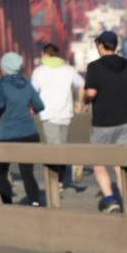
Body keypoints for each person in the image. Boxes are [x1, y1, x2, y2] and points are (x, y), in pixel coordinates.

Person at [83, 30, 127, 213]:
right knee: (121, 163)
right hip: (124, 120)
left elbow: (91, 93)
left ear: (101, 45)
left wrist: (85, 99)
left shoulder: (94, 67)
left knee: (99, 162)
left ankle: (109, 199)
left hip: (102, 122)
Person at [0, 52, 45, 206]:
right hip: (29, 133)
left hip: (7, 135)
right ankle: (34, 202)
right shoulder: (27, 84)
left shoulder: (0, 85)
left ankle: (7, 204)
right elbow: (39, 106)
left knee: (1, 172)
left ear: (4, 67)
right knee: (27, 172)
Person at [31, 43, 85, 186]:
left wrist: (31, 107)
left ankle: (58, 180)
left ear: (44, 54)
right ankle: (63, 174)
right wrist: (79, 103)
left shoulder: (39, 71)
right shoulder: (69, 69)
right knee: (61, 144)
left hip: (47, 112)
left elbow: (32, 91)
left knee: (53, 147)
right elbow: (81, 84)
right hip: (65, 112)